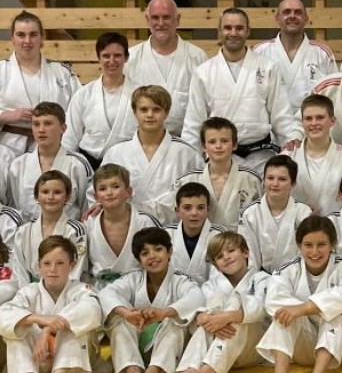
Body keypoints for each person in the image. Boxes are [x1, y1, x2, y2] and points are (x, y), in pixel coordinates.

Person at [255, 216, 342, 373]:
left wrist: (304, 309)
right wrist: (302, 311)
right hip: (299, 349)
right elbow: (272, 300)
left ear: (333, 244)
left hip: (338, 352)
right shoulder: (287, 270)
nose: (315, 251)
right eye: (308, 245)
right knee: (284, 315)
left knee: (334, 314)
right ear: (299, 245)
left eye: (321, 244)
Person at [184, 7, 301, 173]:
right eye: (227, 28)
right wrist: (193, 163)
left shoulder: (267, 67)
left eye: (239, 28)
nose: (233, 33)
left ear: (248, 32)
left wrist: (290, 148)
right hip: (218, 159)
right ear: (219, 31)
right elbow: (193, 123)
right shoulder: (204, 72)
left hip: (260, 158)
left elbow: (281, 116)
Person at [98, 227, 204, 373]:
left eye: (158, 249)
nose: (152, 256)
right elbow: (105, 294)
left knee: (174, 321)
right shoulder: (133, 278)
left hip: (167, 353)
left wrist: (164, 313)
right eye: (145, 253)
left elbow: (196, 298)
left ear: (169, 252)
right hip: (137, 348)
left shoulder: (181, 280)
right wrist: (126, 313)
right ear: (139, 259)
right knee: (118, 318)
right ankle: (132, 370)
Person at [0, 236, 103, 373]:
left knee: (76, 326)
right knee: (16, 329)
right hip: (37, 361)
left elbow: (92, 311)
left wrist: (48, 329)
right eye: (47, 263)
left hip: (72, 366)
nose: (52, 270)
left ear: (72, 265)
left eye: (60, 263)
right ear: (39, 266)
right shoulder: (28, 292)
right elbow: (4, 316)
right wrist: (38, 319)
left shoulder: (82, 289)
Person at [172, 232, 270, 373]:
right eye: (219, 256)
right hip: (220, 349)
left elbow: (262, 309)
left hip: (252, 349)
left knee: (236, 302)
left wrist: (228, 317)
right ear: (216, 265)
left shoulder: (262, 279)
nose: (226, 257)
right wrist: (205, 318)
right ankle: (189, 368)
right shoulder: (210, 286)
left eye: (231, 251)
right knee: (213, 304)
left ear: (245, 252)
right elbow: (196, 319)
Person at [100, 85, 203, 220]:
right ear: (134, 112)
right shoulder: (116, 153)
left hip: (172, 228)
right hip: (129, 226)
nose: (150, 115)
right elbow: (99, 191)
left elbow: (199, 194)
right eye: (144, 109)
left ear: (166, 113)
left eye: (156, 110)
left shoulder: (186, 153)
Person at [0, 11, 81, 157]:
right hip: (8, 149)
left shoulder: (62, 73)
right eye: (21, 35)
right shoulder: (1, 72)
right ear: (12, 39)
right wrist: (6, 116)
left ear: (42, 38)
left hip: (55, 147)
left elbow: (79, 112)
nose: (27, 40)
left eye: (33, 34)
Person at [125, 0, 209, 136]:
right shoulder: (131, 58)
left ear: (178, 19)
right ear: (147, 20)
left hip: (185, 142)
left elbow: (205, 107)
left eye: (167, 17)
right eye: (155, 18)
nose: (161, 23)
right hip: (142, 141)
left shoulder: (197, 57)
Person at [168, 117, 262, 230]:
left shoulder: (251, 180)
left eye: (224, 141)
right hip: (201, 245)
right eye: (212, 142)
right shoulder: (188, 181)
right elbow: (168, 212)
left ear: (235, 144)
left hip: (239, 245)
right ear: (204, 146)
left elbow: (262, 220)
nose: (218, 146)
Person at [63, 32, 140, 168]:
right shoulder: (83, 95)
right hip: (89, 164)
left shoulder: (139, 94)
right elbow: (70, 137)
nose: (112, 61)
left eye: (117, 55)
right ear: (98, 57)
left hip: (127, 164)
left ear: (126, 57)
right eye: (106, 56)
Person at [7, 101, 92, 222]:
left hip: (68, 235)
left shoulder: (78, 164)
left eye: (48, 124)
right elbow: (13, 208)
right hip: (28, 234)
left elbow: (87, 210)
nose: (41, 130)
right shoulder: (18, 165)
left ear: (63, 128)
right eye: (36, 124)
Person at [84, 164, 161, 290]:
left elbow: (161, 260)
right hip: (99, 291)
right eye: (103, 189)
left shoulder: (145, 222)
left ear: (128, 192)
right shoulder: (88, 224)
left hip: (140, 289)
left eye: (115, 187)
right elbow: (82, 266)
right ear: (96, 197)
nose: (109, 193)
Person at [253, 0, 337, 110]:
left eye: (298, 12)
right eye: (286, 12)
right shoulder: (260, 52)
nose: (292, 16)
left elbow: (334, 94)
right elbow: (251, 95)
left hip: (311, 124)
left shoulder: (322, 53)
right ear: (277, 18)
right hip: (270, 124)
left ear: (306, 19)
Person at [283, 94, 342, 216]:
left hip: (335, 230)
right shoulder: (287, 156)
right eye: (308, 118)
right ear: (302, 122)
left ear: (332, 121)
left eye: (320, 118)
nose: (314, 123)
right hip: (295, 229)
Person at [11, 171, 87, 290]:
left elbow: (76, 270)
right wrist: (28, 294)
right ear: (36, 196)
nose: (50, 197)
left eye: (57, 192)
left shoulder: (76, 230)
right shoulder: (24, 231)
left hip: (66, 291)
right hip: (30, 290)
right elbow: (19, 271)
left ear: (68, 197)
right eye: (45, 192)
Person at [238, 155, 312, 274]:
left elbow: (305, 252)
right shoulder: (251, 214)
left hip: (295, 276)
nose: (275, 184)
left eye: (282, 179)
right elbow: (252, 257)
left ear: (292, 184)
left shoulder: (303, 212)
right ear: (263, 181)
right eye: (270, 178)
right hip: (263, 276)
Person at [163, 183, 225, 286]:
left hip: (210, 297)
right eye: (187, 208)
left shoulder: (220, 235)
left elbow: (222, 277)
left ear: (208, 210)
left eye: (200, 208)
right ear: (177, 211)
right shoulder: (166, 235)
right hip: (173, 297)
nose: (194, 213)